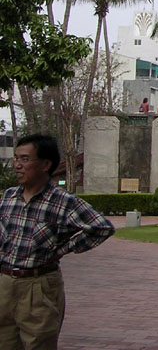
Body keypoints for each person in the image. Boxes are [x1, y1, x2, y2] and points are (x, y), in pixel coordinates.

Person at [0, 134, 115, 348]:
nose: (17, 165)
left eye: (25, 159)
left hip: (38, 285)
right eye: (16, 158)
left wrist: (63, 249)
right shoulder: (8, 197)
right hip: (4, 283)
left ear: (45, 165)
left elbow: (101, 227)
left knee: (39, 343)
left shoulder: (63, 201)